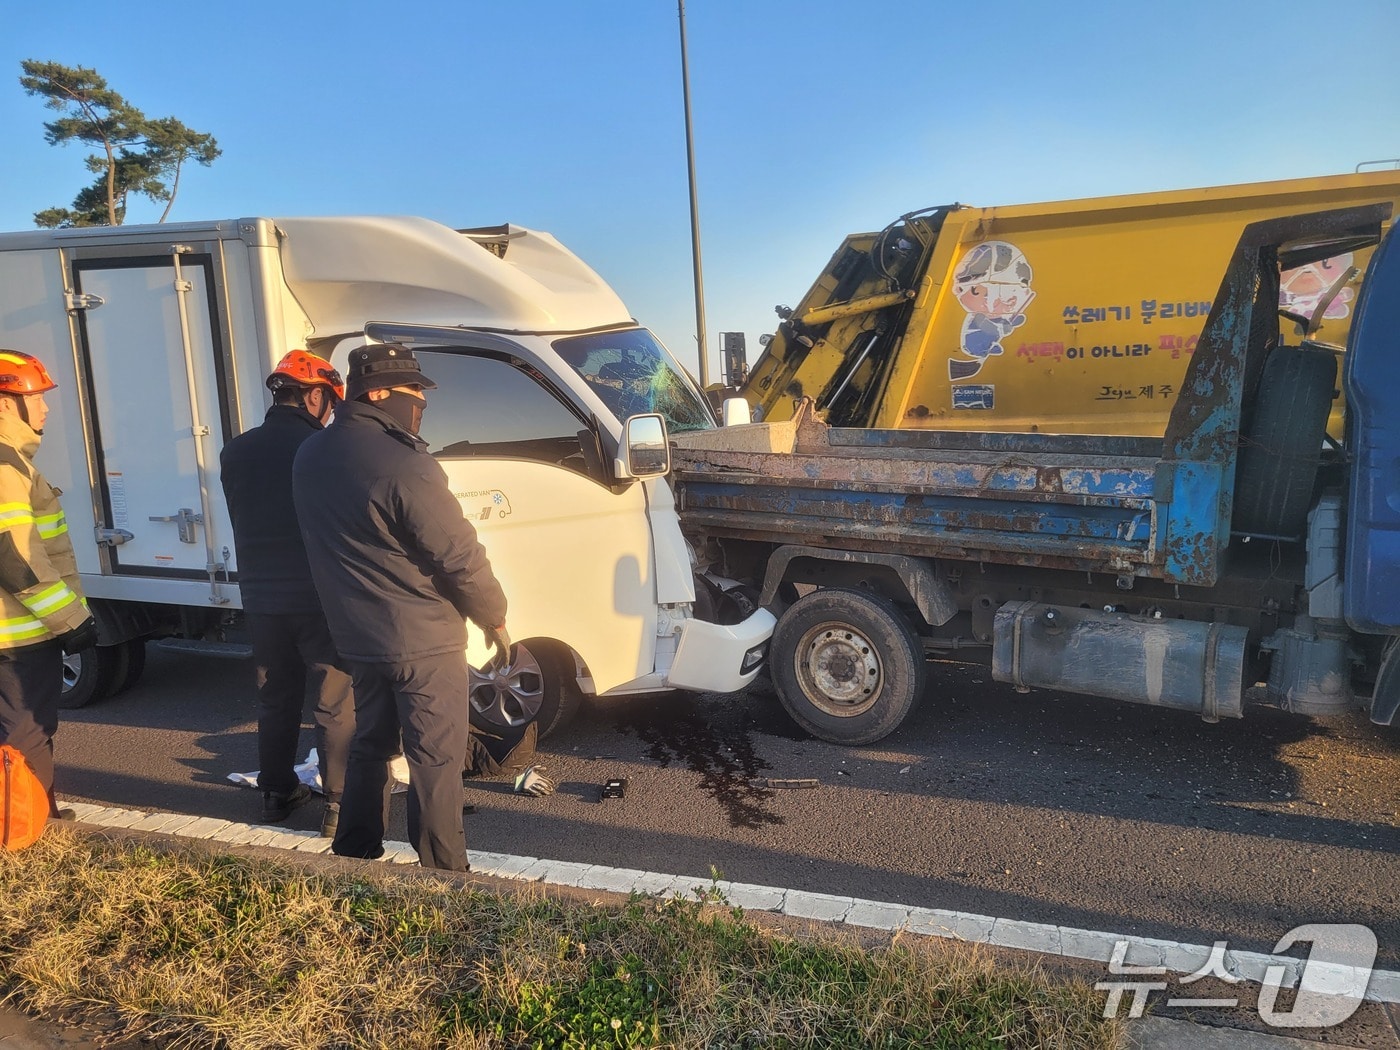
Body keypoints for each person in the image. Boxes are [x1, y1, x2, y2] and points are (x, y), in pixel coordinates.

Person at [292, 343, 508, 871]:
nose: (422, 404)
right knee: (436, 758)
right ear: (380, 392)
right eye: (416, 393)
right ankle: (444, 874)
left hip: (358, 638)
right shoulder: (404, 463)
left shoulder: (311, 454)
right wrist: (493, 614)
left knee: (370, 744)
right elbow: (456, 551)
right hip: (423, 638)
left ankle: (354, 853)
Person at [219, 350, 355, 836]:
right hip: (318, 598)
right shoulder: (323, 448)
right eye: (331, 403)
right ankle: (338, 803)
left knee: (275, 698)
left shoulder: (235, 450)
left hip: (261, 598)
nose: (332, 413)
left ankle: (275, 795)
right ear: (315, 395)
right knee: (333, 701)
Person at [0, 349, 96, 819]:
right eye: (34, 397)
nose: (45, 407)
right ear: (4, 404)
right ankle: (28, 835)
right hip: (17, 635)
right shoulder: (5, 466)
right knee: (26, 735)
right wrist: (71, 621)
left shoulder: (14, 462)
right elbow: (15, 556)